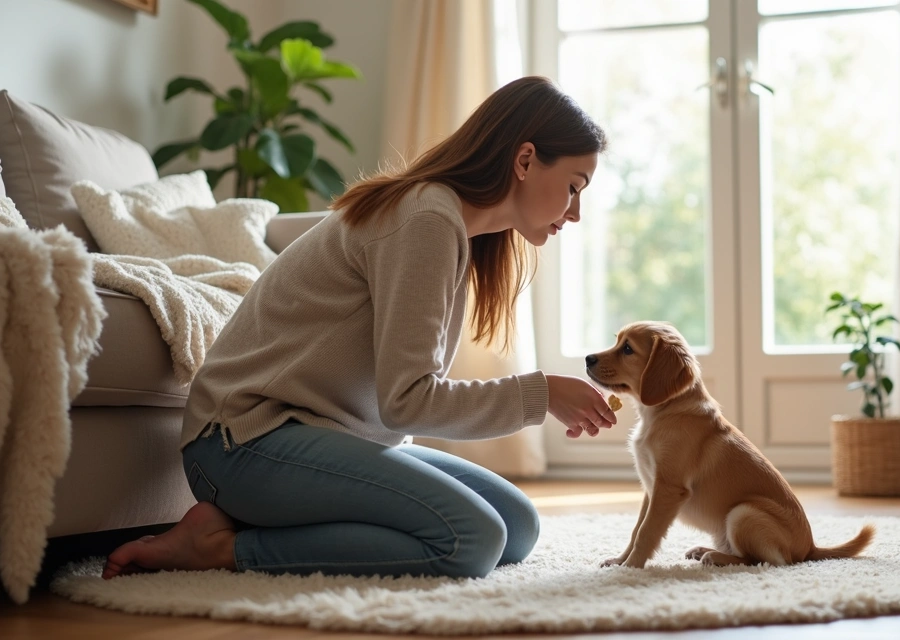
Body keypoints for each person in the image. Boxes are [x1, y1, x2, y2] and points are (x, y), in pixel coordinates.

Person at [104, 76, 614, 581]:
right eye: (573, 187)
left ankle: (248, 518)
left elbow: (394, 407)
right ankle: (222, 547)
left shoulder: (458, 228)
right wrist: (539, 396)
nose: (575, 212)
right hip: (243, 441)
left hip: (333, 435)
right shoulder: (426, 218)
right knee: (472, 538)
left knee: (517, 526)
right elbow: (408, 402)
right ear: (524, 160)